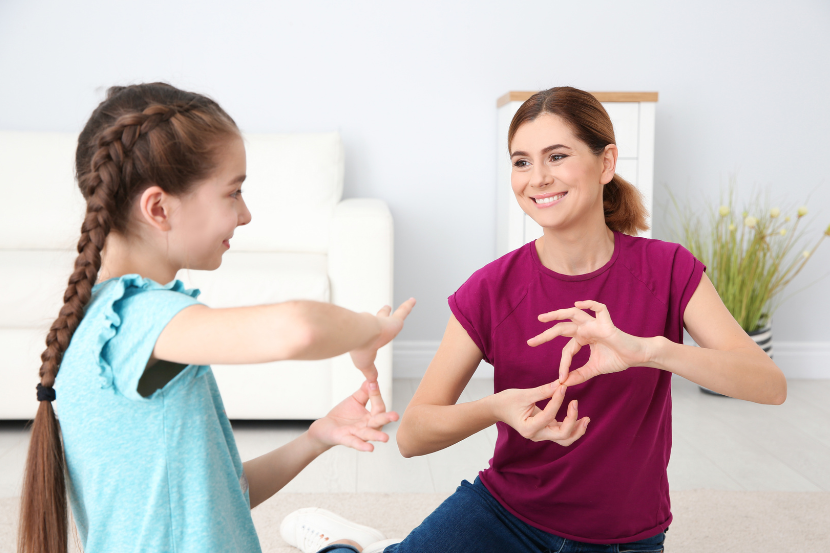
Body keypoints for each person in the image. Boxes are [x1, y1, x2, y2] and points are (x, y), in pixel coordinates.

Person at [280, 86, 787, 553]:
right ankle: (346, 543)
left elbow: (769, 385)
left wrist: (650, 350)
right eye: (522, 162)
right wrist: (497, 407)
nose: (538, 178)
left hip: (625, 539)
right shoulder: (492, 288)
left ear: (606, 162)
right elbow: (414, 434)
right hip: (505, 515)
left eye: (558, 156)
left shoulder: (668, 268)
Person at [18, 82, 416, 553]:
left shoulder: (108, 322)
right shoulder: (137, 320)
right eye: (233, 193)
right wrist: (370, 330)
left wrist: (316, 438)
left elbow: (220, 500)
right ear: (159, 208)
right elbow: (299, 329)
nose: (245, 214)